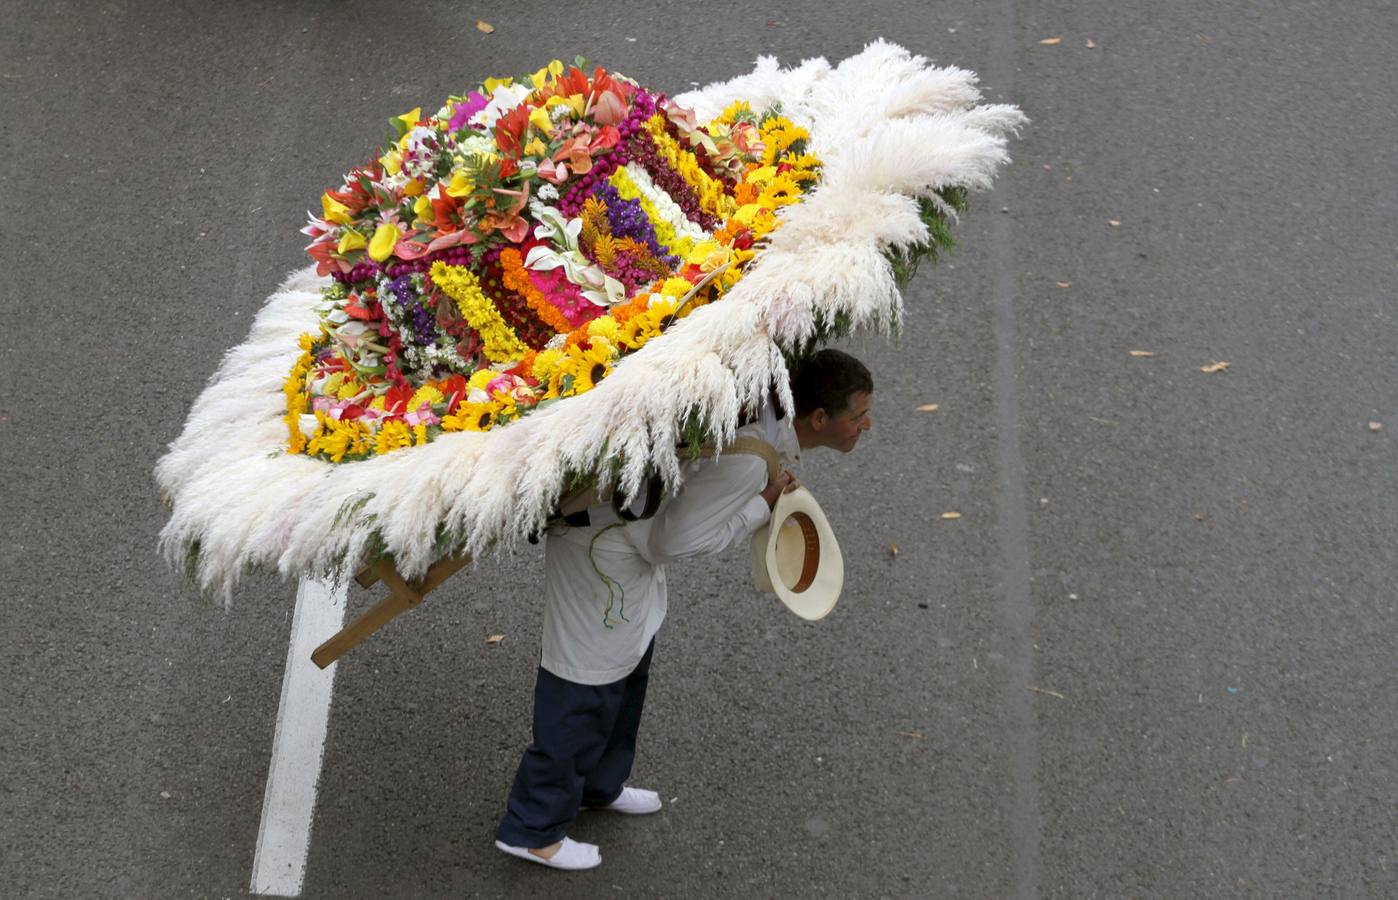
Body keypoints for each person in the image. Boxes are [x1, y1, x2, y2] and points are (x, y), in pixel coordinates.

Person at [494, 348, 874, 870]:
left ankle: (597, 786)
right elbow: (672, 544)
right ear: (818, 418)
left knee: (627, 666)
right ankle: (532, 827)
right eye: (859, 416)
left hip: (627, 536)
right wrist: (759, 505)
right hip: (603, 544)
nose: (866, 426)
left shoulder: (764, 412)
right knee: (584, 680)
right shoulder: (748, 459)